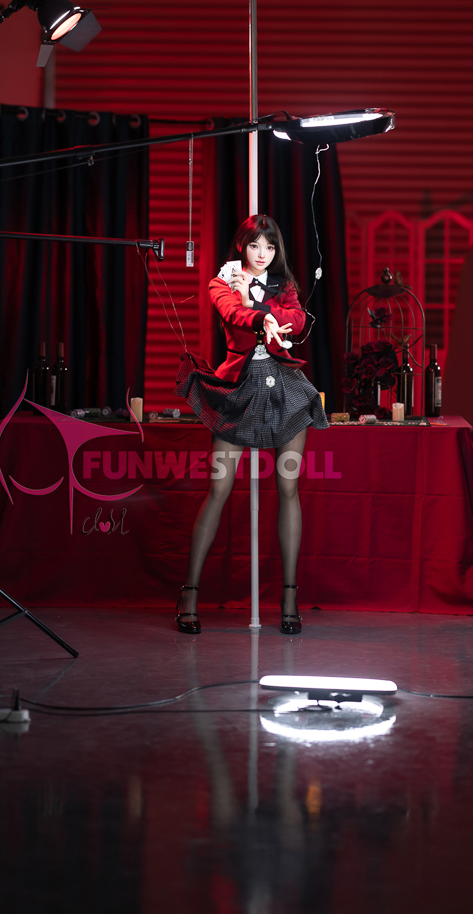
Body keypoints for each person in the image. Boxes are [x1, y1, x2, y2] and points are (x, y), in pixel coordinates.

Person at [174, 214, 329, 636]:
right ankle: (189, 594)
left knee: (288, 488)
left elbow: (298, 321)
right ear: (241, 245)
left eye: (270, 247)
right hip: (238, 393)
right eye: (255, 245)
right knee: (218, 489)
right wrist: (258, 314)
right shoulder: (222, 281)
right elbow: (232, 314)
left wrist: (262, 308)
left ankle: (290, 598)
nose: (262, 254)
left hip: (286, 393)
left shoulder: (284, 285)